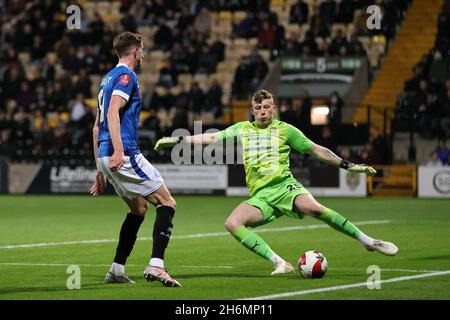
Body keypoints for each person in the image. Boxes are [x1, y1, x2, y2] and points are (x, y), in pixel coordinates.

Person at [154, 89, 398, 275]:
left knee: (316, 209)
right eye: (257, 107)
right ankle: (280, 262)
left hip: (284, 188)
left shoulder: (285, 130)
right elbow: (211, 137)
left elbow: (317, 150)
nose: (262, 111)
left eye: (266, 107)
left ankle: (369, 241)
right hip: (261, 196)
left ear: (274, 109)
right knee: (232, 223)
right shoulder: (241, 129)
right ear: (252, 110)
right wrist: (179, 141)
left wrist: (349, 166)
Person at [90, 31, 181, 287]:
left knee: (139, 208)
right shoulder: (125, 76)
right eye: (142, 49)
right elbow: (111, 112)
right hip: (125, 152)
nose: (143, 54)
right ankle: (156, 265)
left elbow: (96, 128)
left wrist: (100, 166)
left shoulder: (106, 79)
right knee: (167, 203)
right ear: (134, 51)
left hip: (105, 155)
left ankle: (116, 269)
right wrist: (119, 151)